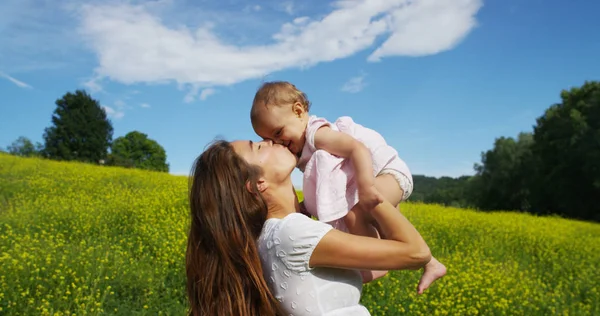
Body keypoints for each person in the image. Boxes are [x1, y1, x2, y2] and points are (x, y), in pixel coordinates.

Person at [186, 139, 432, 316]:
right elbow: (417, 253)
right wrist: (371, 190)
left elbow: (375, 269)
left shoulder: (270, 237)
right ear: (257, 183)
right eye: (259, 147)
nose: (269, 140)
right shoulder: (292, 233)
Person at [250, 81, 446, 292]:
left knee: (355, 213)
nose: (278, 143)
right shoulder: (301, 149)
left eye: (278, 133)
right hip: (373, 180)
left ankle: (375, 262)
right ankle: (431, 264)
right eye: (268, 139)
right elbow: (323, 182)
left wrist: (366, 187)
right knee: (383, 225)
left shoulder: (317, 134)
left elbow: (357, 149)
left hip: (387, 173)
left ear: (298, 111)